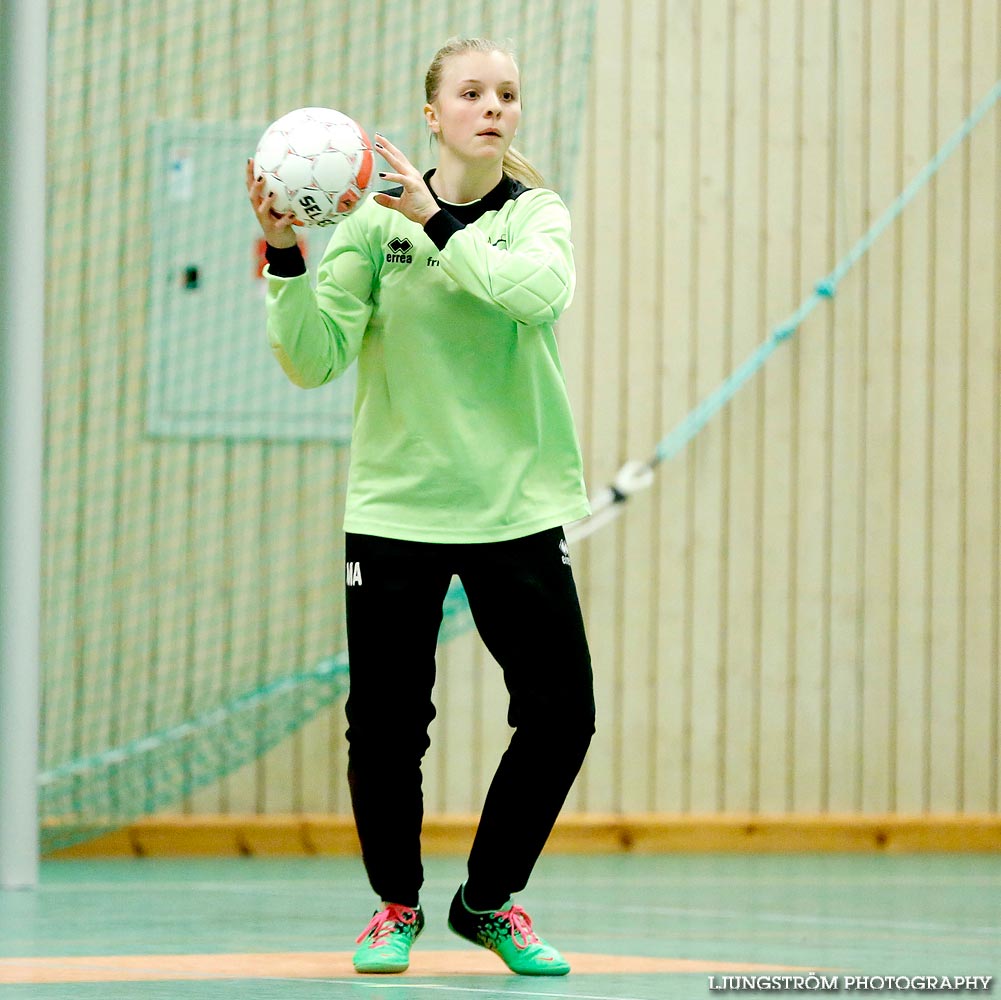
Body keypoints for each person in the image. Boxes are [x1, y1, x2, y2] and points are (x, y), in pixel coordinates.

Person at [246, 36, 595, 977]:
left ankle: (487, 901)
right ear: (432, 115)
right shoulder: (366, 226)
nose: (493, 106)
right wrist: (285, 253)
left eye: (507, 94)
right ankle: (393, 906)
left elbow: (535, 295)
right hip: (396, 512)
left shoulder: (536, 216)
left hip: (513, 507)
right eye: (472, 93)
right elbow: (314, 358)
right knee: (388, 725)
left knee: (563, 714)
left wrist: (438, 220)